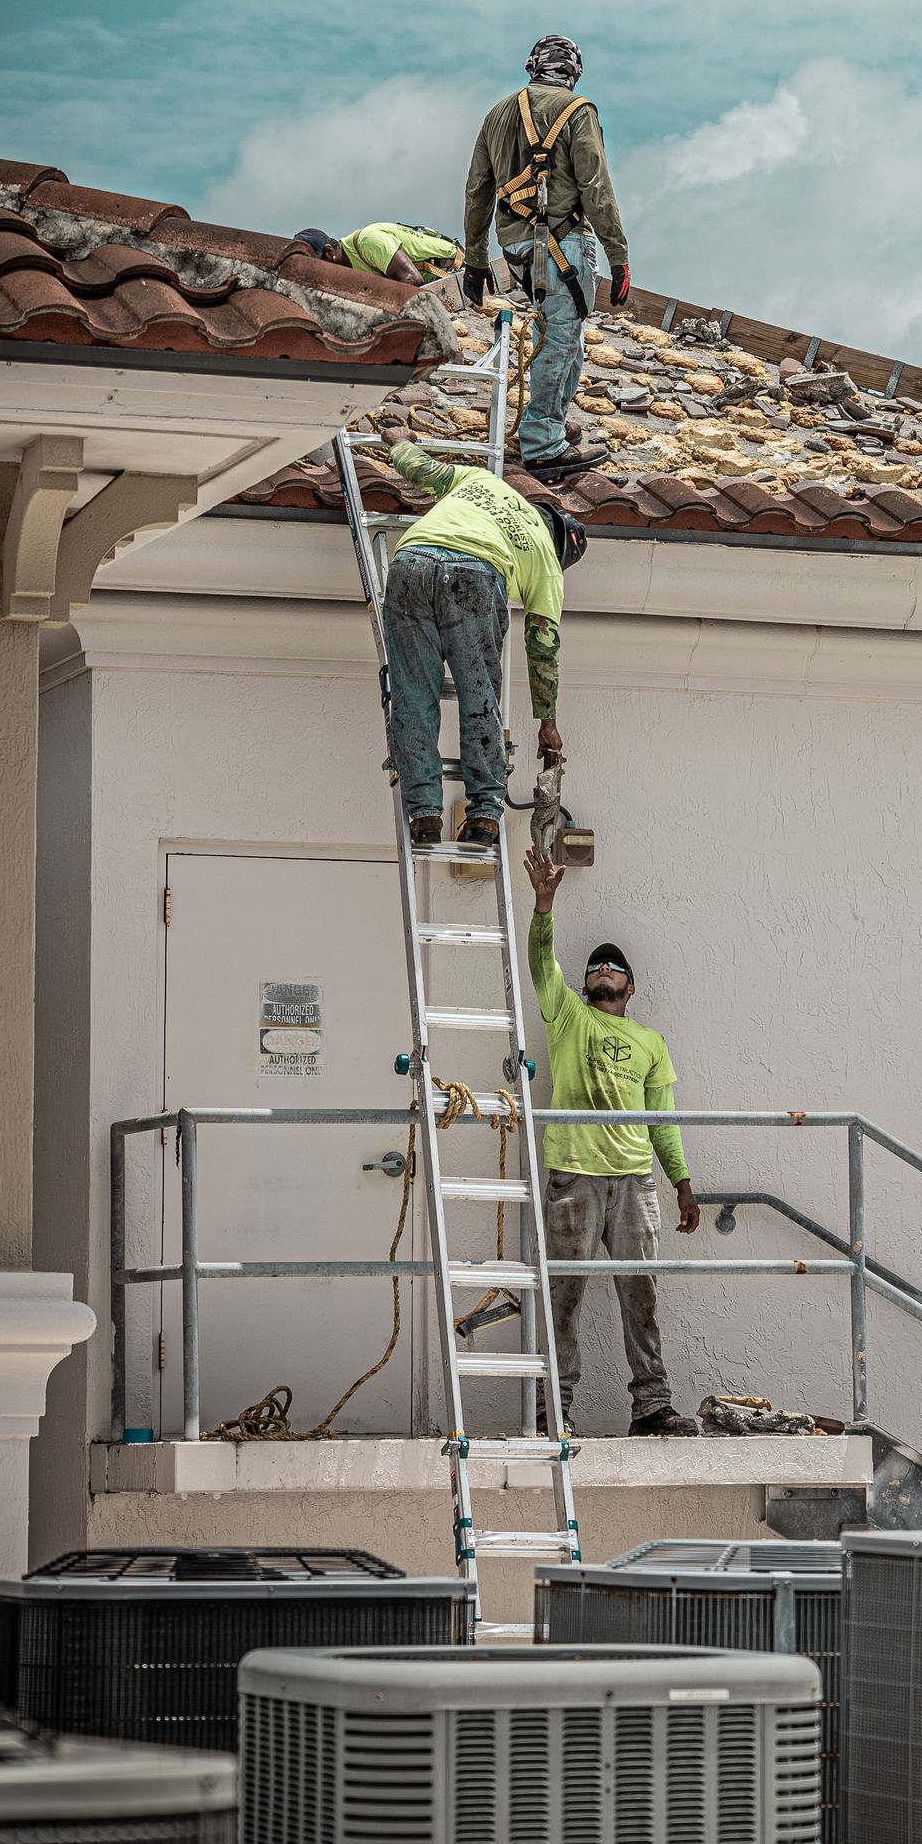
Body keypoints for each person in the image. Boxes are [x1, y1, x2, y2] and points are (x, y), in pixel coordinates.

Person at [522, 841, 701, 1438]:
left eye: (613, 967)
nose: (602, 970)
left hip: (633, 1180)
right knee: (563, 1297)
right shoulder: (568, 1015)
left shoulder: (652, 1044)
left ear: (630, 986)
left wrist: (681, 1182)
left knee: (640, 1296)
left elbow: (663, 1119)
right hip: (573, 1175)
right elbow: (541, 967)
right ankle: (554, 1412)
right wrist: (544, 905)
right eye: (595, 966)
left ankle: (652, 1407)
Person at [379, 439, 585, 847]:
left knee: (413, 695)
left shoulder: (482, 481)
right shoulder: (546, 560)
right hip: (473, 576)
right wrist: (547, 721)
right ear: (560, 546)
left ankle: (423, 814)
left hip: (410, 563)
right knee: (481, 701)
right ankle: (485, 816)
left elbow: (418, 468)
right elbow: (543, 646)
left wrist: (397, 444)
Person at [461, 36, 631, 481]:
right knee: (560, 340)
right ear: (573, 71)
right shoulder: (578, 111)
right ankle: (542, 444)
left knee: (560, 337)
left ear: (532, 67)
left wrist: (476, 259)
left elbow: (478, 191)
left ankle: (549, 420)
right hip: (562, 245)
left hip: (515, 248)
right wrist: (619, 254)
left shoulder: (497, 114)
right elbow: (596, 187)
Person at [294, 221, 464, 285]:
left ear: (329, 251)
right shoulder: (349, 267)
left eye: (317, 266)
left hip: (452, 272)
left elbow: (412, 280)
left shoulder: (367, 241)